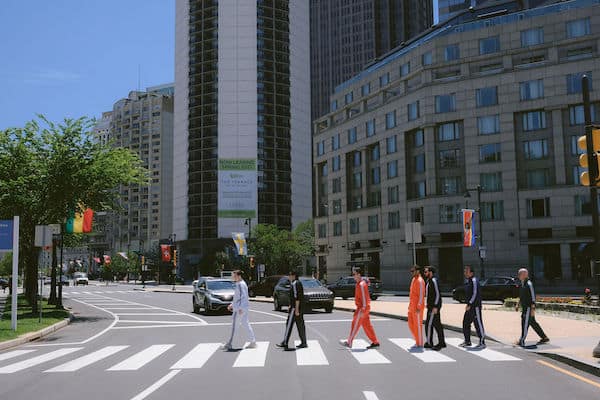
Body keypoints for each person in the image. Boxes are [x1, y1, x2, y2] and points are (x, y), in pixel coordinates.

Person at [341, 267, 380, 349]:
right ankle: (375, 342)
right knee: (367, 326)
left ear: (359, 274)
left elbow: (365, 297)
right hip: (363, 308)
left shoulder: (361, 284)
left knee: (355, 324)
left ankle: (349, 342)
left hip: (362, 308)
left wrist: (363, 309)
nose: (353, 276)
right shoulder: (359, 284)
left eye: (354, 274)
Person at [223, 270, 256, 351]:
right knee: (245, 324)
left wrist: (239, 308)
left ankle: (230, 344)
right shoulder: (241, 284)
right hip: (242, 308)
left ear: (238, 276)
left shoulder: (240, 284)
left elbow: (243, 297)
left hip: (239, 309)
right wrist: (232, 304)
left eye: (234, 276)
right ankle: (253, 341)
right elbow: (238, 297)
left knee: (234, 326)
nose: (233, 277)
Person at [516, 268, 549, 347]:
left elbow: (533, 298)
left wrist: (532, 309)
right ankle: (544, 337)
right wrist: (518, 304)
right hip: (525, 307)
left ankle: (521, 340)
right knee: (532, 322)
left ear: (524, 275)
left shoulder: (529, 284)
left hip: (528, 308)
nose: (518, 275)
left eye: (520, 274)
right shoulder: (522, 283)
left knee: (525, 323)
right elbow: (521, 296)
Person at [276, 270, 307, 351]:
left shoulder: (294, 284)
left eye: (290, 275)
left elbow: (297, 297)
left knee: (289, 325)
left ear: (294, 276)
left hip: (295, 308)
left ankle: (285, 342)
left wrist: (296, 309)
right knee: (300, 325)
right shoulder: (298, 283)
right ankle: (304, 342)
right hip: (298, 307)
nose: (289, 277)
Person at [461, 265, 485, 348]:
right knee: (465, 323)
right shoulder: (469, 281)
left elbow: (475, 293)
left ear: (471, 273)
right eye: (465, 271)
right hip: (470, 307)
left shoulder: (474, 280)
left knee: (478, 324)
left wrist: (470, 304)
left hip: (475, 307)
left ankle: (482, 342)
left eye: (466, 271)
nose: (465, 273)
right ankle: (467, 341)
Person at [424, 266, 446, 351]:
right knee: (437, 325)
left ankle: (429, 342)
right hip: (431, 307)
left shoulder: (433, 281)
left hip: (433, 307)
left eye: (426, 271)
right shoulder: (429, 281)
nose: (425, 273)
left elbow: (437, 294)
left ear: (431, 272)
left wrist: (436, 306)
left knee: (429, 325)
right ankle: (442, 342)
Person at [408, 265, 425, 348]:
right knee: (410, 324)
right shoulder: (413, 280)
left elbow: (422, 295)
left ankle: (419, 342)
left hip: (417, 307)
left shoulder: (420, 281)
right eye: (411, 271)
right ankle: (418, 339)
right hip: (411, 306)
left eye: (413, 271)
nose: (411, 272)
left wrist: (419, 306)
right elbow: (411, 294)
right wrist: (409, 305)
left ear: (418, 271)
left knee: (418, 325)